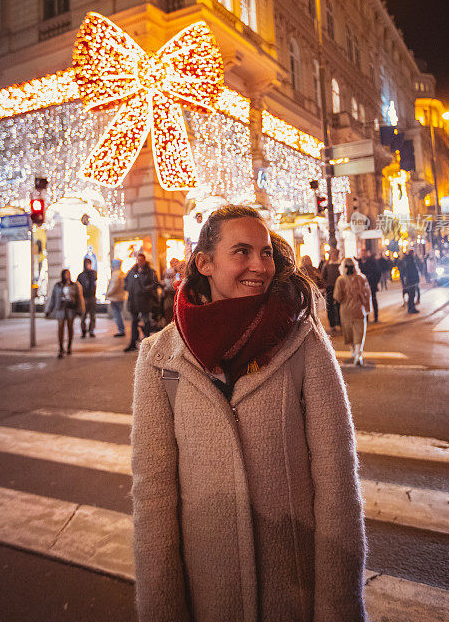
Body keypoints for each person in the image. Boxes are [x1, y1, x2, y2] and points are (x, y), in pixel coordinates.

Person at [131, 204, 366, 622]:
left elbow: (336, 478)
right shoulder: (158, 357)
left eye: (266, 253)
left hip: (294, 591)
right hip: (206, 592)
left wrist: (338, 607)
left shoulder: (303, 339)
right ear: (205, 262)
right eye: (241, 251)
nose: (259, 265)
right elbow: (153, 496)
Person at [333, 257, 371, 366]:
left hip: (345, 309)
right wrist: (367, 308)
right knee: (359, 332)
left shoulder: (340, 280)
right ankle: (358, 355)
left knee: (348, 331)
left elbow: (337, 297)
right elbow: (367, 294)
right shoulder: (361, 278)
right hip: (359, 309)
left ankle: (353, 352)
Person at [124, 253, 160, 352]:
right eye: (138, 260)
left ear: (144, 260)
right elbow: (126, 282)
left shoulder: (150, 272)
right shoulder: (132, 271)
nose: (139, 262)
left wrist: (144, 290)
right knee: (134, 321)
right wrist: (129, 289)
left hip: (145, 300)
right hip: (134, 300)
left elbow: (155, 284)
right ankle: (133, 342)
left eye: (141, 260)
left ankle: (147, 342)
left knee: (146, 320)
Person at [45, 268, 85, 357]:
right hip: (61, 308)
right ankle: (61, 348)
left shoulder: (75, 285)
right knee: (60, 327)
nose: (67, 276)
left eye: (68, 274)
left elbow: (79, 298)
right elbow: (53, 299)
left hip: (71, 308)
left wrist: (81, 309)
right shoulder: (58, 285)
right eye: (65, 274)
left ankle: (69, 346)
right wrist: (49, 310)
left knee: (70, 327)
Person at [321, 247, 342, 331]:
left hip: (339, 287)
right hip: (330, 287)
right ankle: (332, 324)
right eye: (331, 254)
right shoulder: (327, 265)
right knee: (329, 306)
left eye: (334, 254)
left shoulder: (340, 264)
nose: (332, 256)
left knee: (339, 305)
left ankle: (340, 323)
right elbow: (323, 276)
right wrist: (325, 286)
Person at [359, 249, 382, 323]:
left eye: (365, 253)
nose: (363, 255)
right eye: (362, 253)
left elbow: (378, 272)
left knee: (374, 300)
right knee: (364, 301)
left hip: (372, 284)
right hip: (362, 286)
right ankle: (366, 317)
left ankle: (376, 317)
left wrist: (375, 282)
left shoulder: (372, 262)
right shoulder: (359, 262)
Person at [77, 257, 97, 338]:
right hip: (84, 298)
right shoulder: (81, 275)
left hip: (92, 296)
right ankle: (84, 330)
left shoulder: (93, 273)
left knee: (92, 315)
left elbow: (94, 280)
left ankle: (91, 330)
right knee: (83, 315)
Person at [106, 258, 126, 337]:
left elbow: (114, 286)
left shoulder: (116, 274)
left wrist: (108, 294)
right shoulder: (121, 273)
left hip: (115, 297)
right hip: (120, 296)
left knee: (117, 314)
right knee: (119, 314)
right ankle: (121, 329)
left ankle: (121, 330)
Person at [401, 250, 421, 314]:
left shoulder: (408, 260)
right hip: (412, 280)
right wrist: (415, 279)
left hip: (410, 280)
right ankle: (411, 308)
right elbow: (412, 271)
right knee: (412, 295)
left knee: (411, 294)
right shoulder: (411, 260)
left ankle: (411, 308)